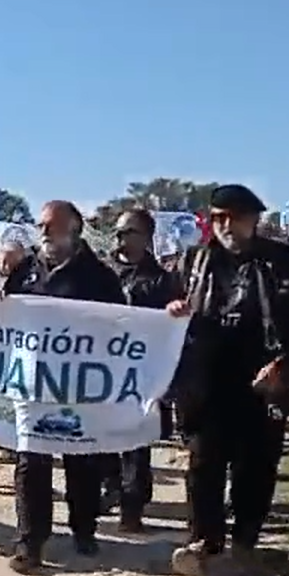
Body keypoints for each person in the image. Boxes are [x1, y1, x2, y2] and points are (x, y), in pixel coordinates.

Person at [165, 184, 289, 576]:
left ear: (253, 220)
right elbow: (165, 305)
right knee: (203, 462)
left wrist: (287, 363)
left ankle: (245, 540)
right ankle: (204, 542)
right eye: (218, 217)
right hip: (207, 375)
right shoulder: (194, 260)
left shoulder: (281, 262)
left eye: (233, 217)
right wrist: (173, 309)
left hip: (263, 375)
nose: (225, 225)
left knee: (256, 463)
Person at [0, 199, 127, 572]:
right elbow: (2, 311)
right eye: (41, 225)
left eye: (51, 226)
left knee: (81, 461)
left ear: (74, 229)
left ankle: (84, 530)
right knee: (30, 461)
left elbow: (122, 323)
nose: (44, 232)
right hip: (33, 382)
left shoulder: (99, 277)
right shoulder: (25, 270)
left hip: (77, 384)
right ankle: (30, 541)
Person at [107, 208, 183, 533]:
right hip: (103, 369)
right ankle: (109, 490)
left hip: (141, 372)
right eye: (118, 231)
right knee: (101, 437)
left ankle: (132, 507)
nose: (120, 238)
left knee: (135, 442)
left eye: (129, 232)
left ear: (147, 238)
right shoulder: (101, 273)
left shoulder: (163, 281)